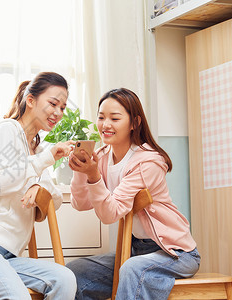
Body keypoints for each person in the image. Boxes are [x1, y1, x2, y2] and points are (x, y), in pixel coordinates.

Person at [66, 88, 200, 299]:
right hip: (136, 250)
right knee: (74, 272)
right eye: (101, 117)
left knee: (132, 269)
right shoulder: (101, 157)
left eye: (114, 118)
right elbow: (81, 204)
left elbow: (110, 214)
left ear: (134, 123)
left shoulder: (148, 162)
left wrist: (92, 175)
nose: (105, 124)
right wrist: (80, 172)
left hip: (175, 253)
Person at [0, 72, 77, 300]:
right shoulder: (8, 129)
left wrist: (37, 186)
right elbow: (0, 183)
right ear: (30, 101)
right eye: (53, 103)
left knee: (64, 278)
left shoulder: (38, 149)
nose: (58, 113)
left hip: (8, 255)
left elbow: (55, 199)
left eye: (62, 107)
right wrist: (43, 164)